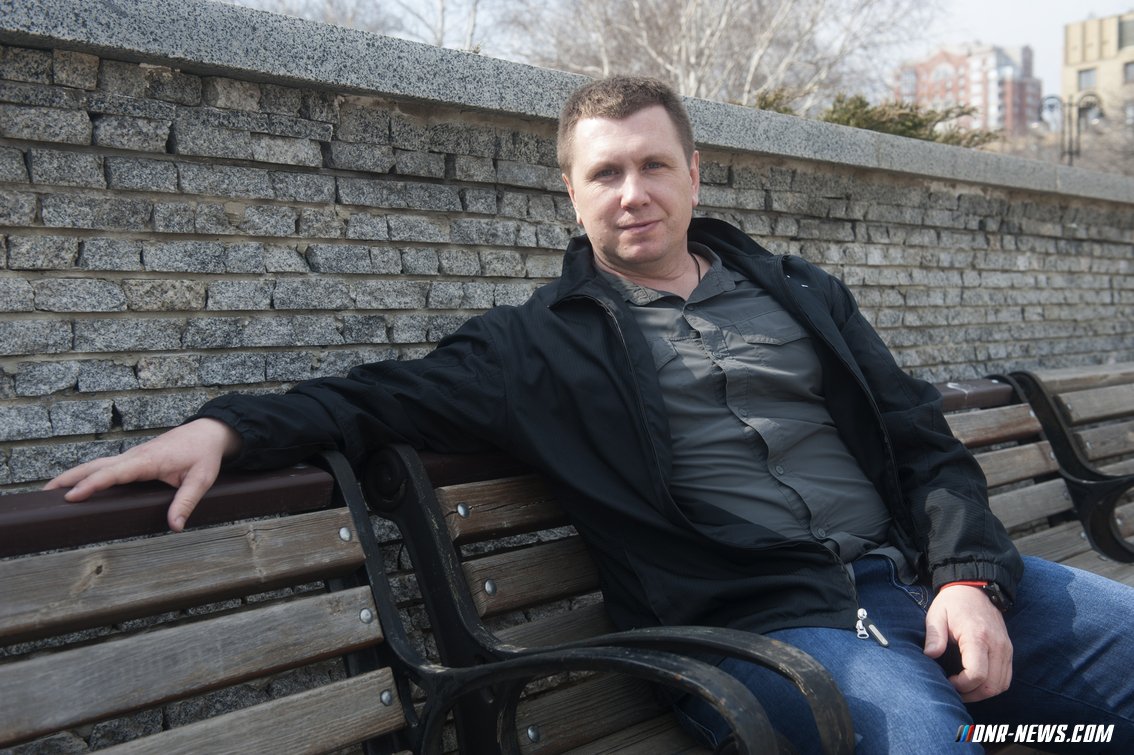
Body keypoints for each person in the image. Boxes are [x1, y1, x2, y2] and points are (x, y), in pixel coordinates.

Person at [48, 76, 1134, 753]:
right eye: (605, 173)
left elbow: (923, 444)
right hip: (765, 626)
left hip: (918, 580)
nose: (633, 192)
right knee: (923, 740)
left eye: (654, 165)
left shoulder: (805, 292)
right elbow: (374, 395)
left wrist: (967, 578)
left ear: (694, 173)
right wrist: (227, 428)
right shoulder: (535, 348)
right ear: (571, 194)